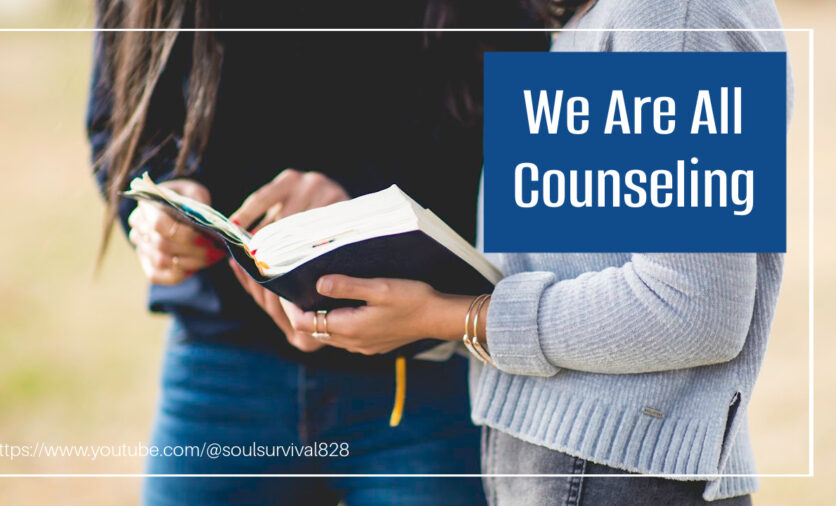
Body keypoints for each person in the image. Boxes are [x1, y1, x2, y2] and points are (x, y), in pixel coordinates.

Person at [280, 0, 793, 504]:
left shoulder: (670, 13)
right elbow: (569, 264)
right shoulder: (604, 16)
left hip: (610, 475)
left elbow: (693, 308)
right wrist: (416, 312)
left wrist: (455, 317)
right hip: (564, 464)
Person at [88, 1, 547, 505]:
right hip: (221, 364)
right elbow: (117, 118)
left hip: (424, 369)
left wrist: (362, 204)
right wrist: (163, 198)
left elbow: (530, 128)